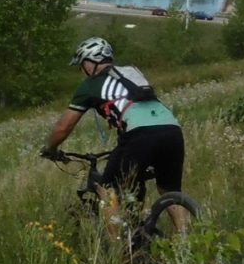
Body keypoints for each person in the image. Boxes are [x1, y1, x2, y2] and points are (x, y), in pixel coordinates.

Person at [41, 36, 187, 225]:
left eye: (81, 64)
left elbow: (64, 127)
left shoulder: (90, 85)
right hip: (172, 130)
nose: (82, 70)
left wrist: (50, 148)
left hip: (139, 135)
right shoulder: (133, 71)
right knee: (169, 191)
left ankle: (121, 250)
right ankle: (187, 245)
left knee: (108, 190)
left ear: (90, 61)